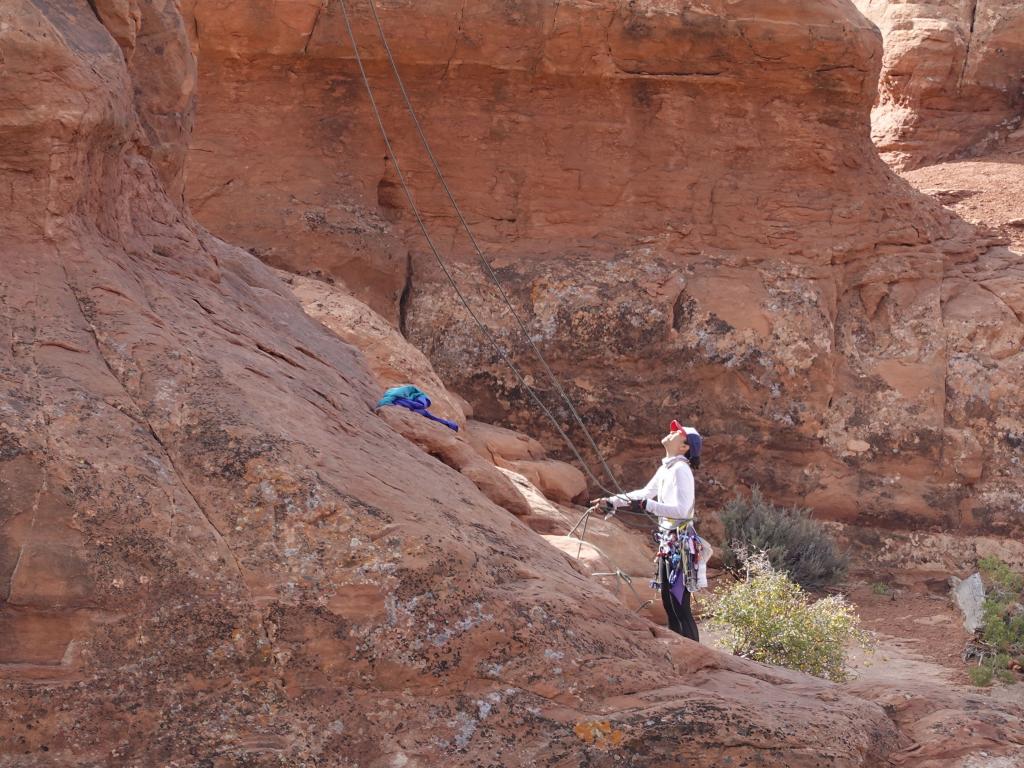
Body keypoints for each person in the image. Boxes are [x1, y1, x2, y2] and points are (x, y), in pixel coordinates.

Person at [593, 420, 705, 641]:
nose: (671, 432)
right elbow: (645, 493)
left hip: (679, 544)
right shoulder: (668, 468)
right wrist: (612, 501)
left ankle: (693, 658)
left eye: (677, 432)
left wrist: (648, 506)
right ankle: (682, 654)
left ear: (684, 447)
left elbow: (682, 510)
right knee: (670, 602)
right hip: (671, 543)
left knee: (679, 606)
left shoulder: (681, 469)